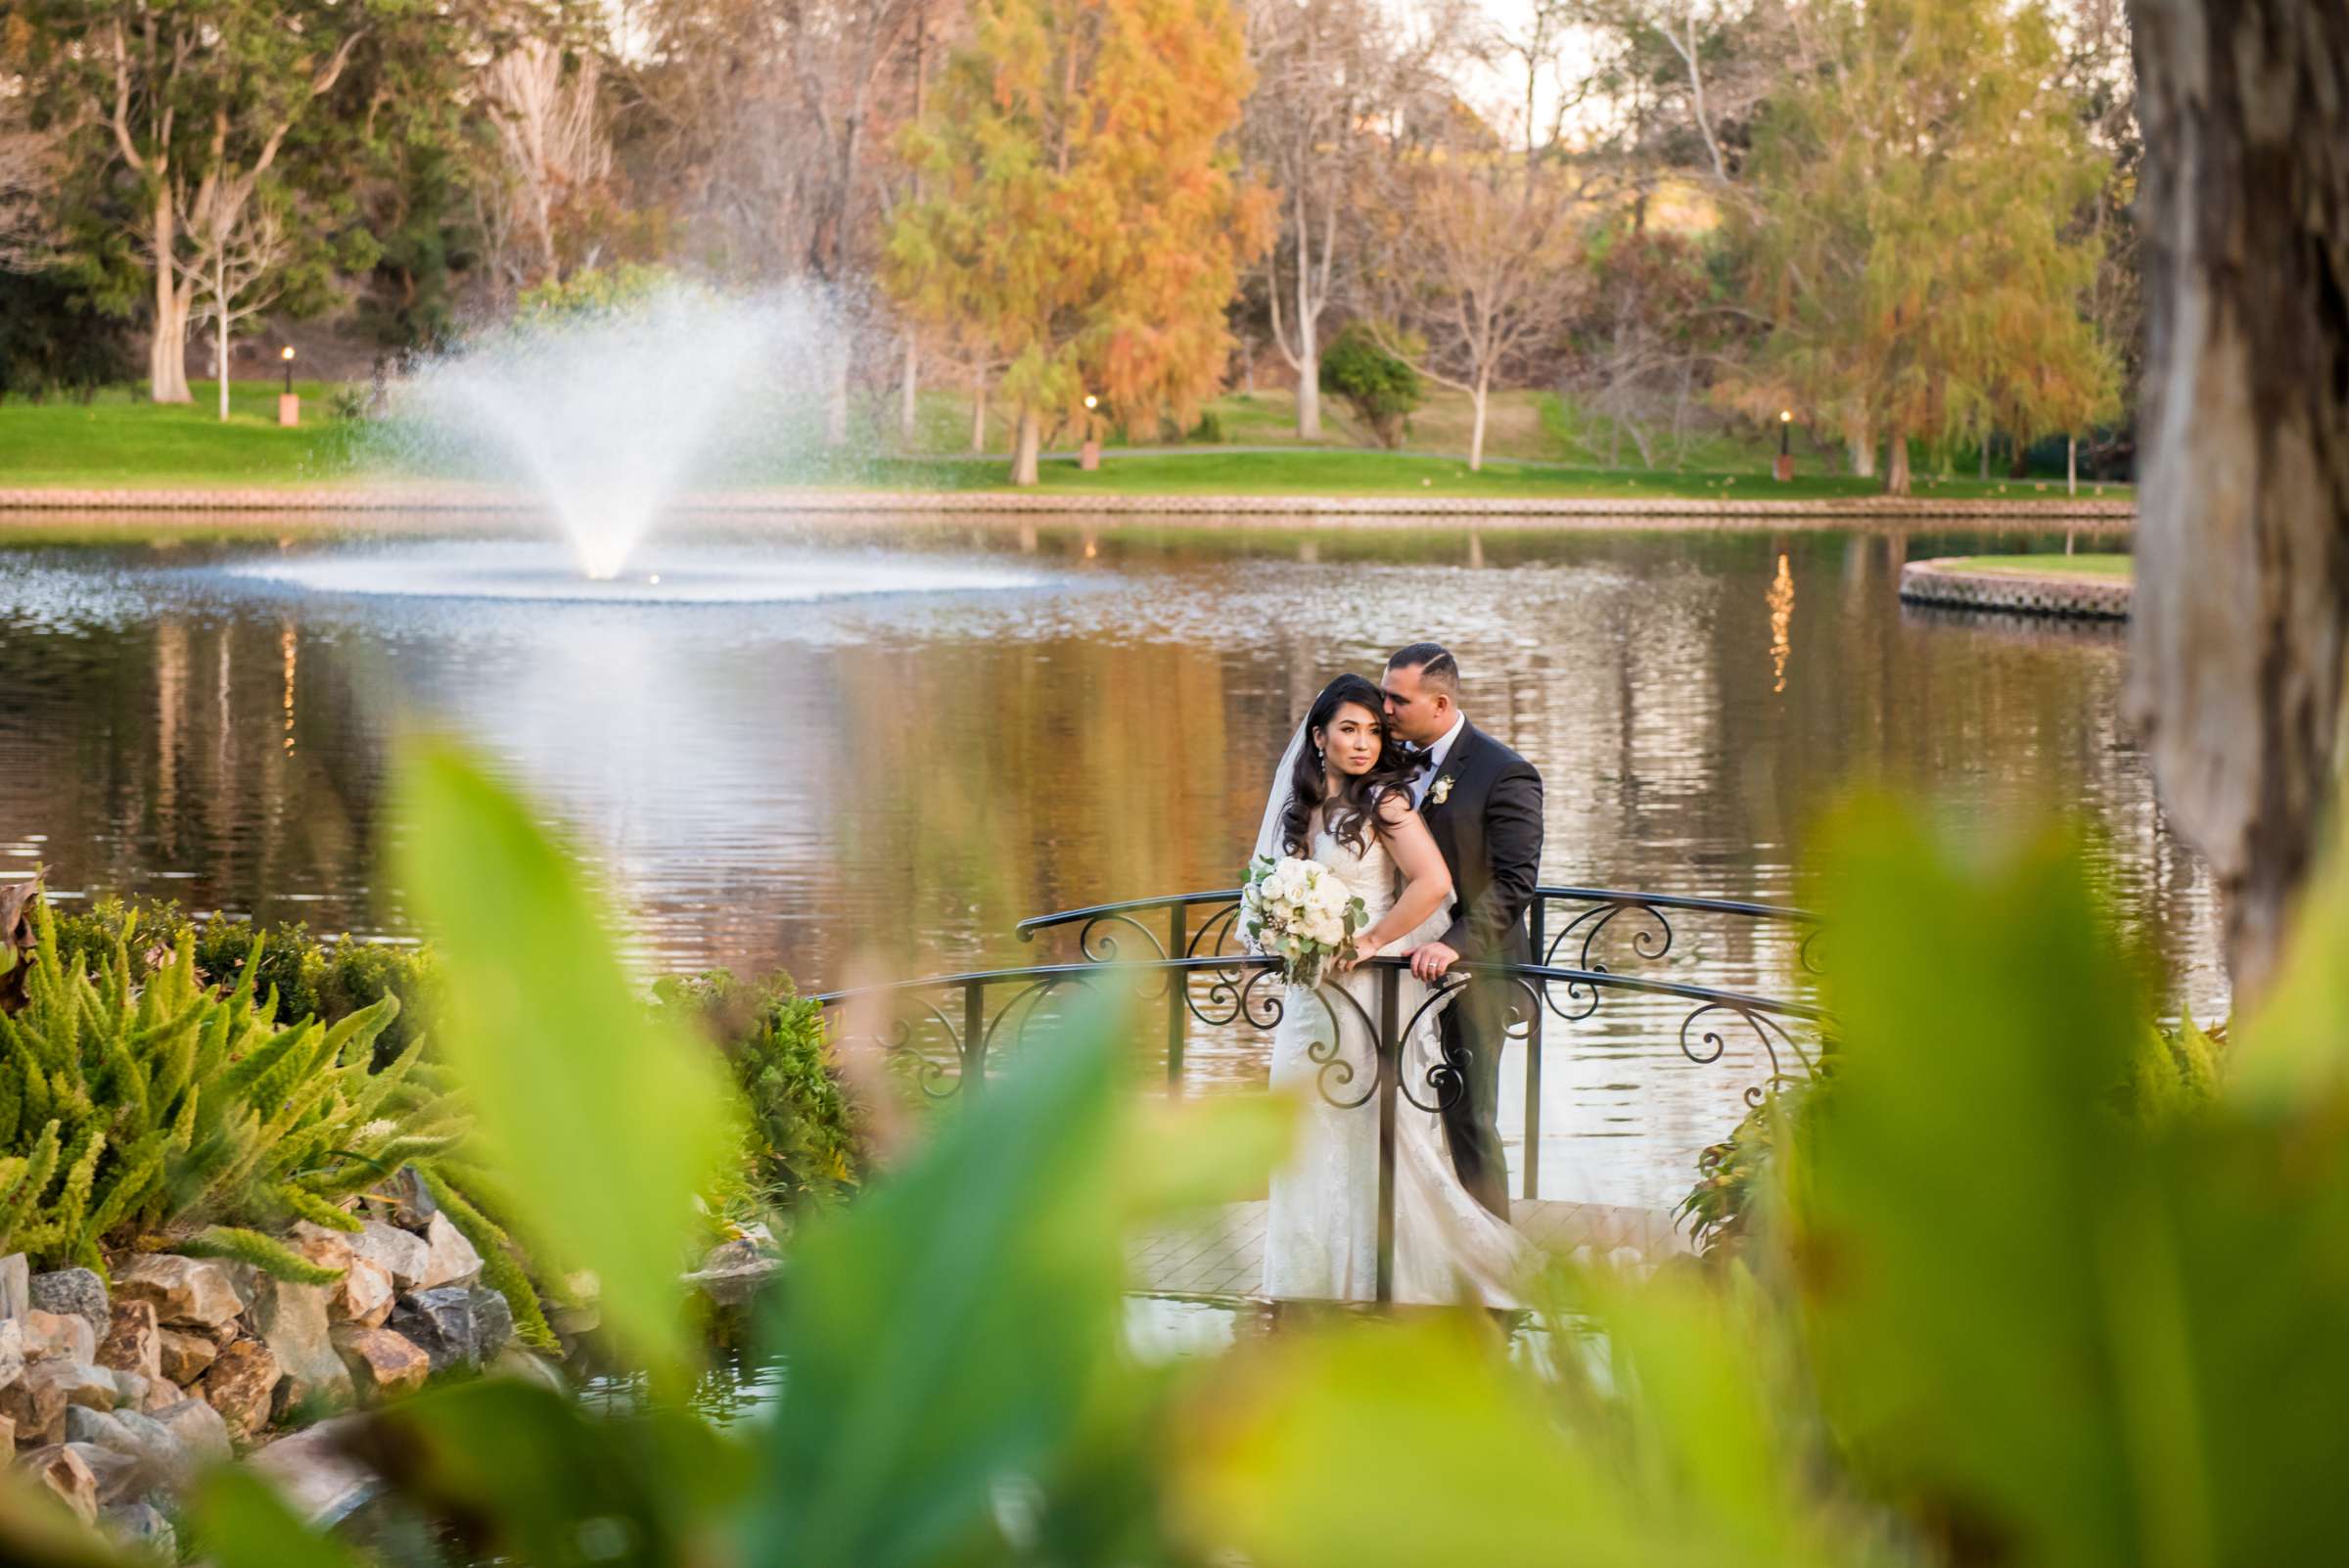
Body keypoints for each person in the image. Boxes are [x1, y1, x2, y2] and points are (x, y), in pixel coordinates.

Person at [1256, 672, 1530, 1305]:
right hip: (1310, 996)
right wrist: (1280, 926)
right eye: (1348, 730)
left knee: (1369, 1127)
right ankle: (1308, 1280)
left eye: (1374, 732)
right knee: (1302, 1126)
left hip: (1366, 993)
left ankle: (1382, 1275)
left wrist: (1373, 941)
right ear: (1318, 735)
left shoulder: (1386, 802)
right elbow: (1268, 885)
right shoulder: (1300, 807)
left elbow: (1432, 884)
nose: (1363, 744)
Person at [1380, 642, 1544, 1222]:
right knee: (1390, 1116)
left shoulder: (1505, 773)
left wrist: (1450, 947)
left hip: (1474, 973)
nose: (1386, 708)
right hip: (1392, 972)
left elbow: (1515, 885)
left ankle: (1496, 1260)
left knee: (1470, 1119)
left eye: (1398, 698)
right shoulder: (1385, 761)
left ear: (1440, 702)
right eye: (1385, 695)